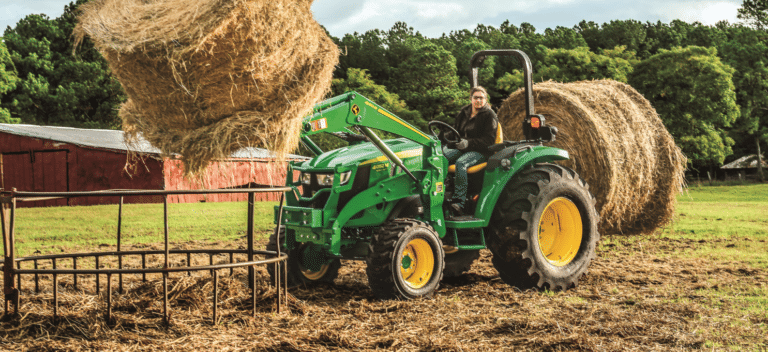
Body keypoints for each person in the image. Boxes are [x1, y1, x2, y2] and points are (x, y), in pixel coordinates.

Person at [443, 86, 499, 216]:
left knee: (461, 163)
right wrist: (443, 138)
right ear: (471, 99)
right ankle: (441, 191)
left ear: (485, 99)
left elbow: (489, 141)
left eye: (481, 98)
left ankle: (459, 202)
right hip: (462, 148)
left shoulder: (490, 116)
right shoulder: (464, 112)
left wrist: (468, 143)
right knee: (441, 157)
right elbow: (455, 131)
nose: (478, 100)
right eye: (476, 97)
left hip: (482, 151)